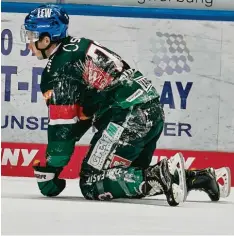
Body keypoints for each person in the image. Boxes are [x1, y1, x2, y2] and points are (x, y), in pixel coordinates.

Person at [21, 4, 231, 205]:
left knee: (92, 182)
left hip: (128, 116)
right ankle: (202, 178)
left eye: (31, 36)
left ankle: (163, 173)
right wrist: (53, 167)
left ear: (46, 39)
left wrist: (49, 173)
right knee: (127, 179)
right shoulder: (79, 45)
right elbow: (82, 116)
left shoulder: (58, 69)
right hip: (150, 111)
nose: (28, 43)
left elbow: (62, 132)